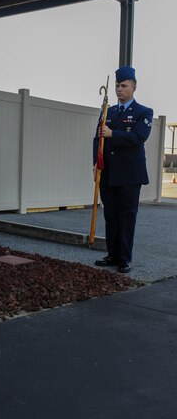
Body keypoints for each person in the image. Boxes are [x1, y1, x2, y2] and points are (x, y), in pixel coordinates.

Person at [93, 66, 153, 273]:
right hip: (108, 171)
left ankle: (125, 258)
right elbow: (97, 138)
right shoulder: (107, 111)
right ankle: (112, 254)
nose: (119, 89)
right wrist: (96, 162)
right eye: (118, 85)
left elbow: (138, 137)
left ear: (134, 87)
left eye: (124, 85)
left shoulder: (143, 112)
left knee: (127, 216)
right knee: (110, 215)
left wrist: (113, 134)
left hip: (129, 174)